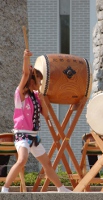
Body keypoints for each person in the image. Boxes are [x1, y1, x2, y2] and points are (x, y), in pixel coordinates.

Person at [1, 49, 71, 193]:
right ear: (32, 81)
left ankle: (61, 188)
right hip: (22, 134)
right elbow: (25, 73)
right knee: (22, 160)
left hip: (34, 136)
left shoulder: (36, 97)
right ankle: (5, 189)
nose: (40, 83)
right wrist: (25, 58)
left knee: (47, 164)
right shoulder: (20, 95)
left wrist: (42, 97)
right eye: (39, 80)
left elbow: (45, 115)